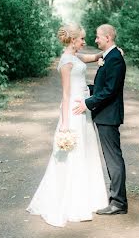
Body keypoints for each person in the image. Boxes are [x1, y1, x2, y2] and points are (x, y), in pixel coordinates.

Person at [27, 23, 108, 227]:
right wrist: (64, 124)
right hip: (72, 111)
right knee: (73, 154)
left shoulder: (75, 57)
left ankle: (86, 198)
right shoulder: (66, 62)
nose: (84, 42)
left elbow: (91, 58)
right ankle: (70, 203)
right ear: (73, 40)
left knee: (85, 151)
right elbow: (65, 94)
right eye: (81, 39)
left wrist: (106, 52)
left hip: (83, 109)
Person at [73, 23, 128, 215]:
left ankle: (118, 203)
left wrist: (88, 102)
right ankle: (116, 199)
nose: (95, 40)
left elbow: (110, 91)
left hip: (108, 116)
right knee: (111, 157)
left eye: (97, 37)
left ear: (108, 38)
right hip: (104, 115)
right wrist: (85, 90)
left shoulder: (115, 59)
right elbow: (102, 86)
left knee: (113, 158)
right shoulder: (109, 57)